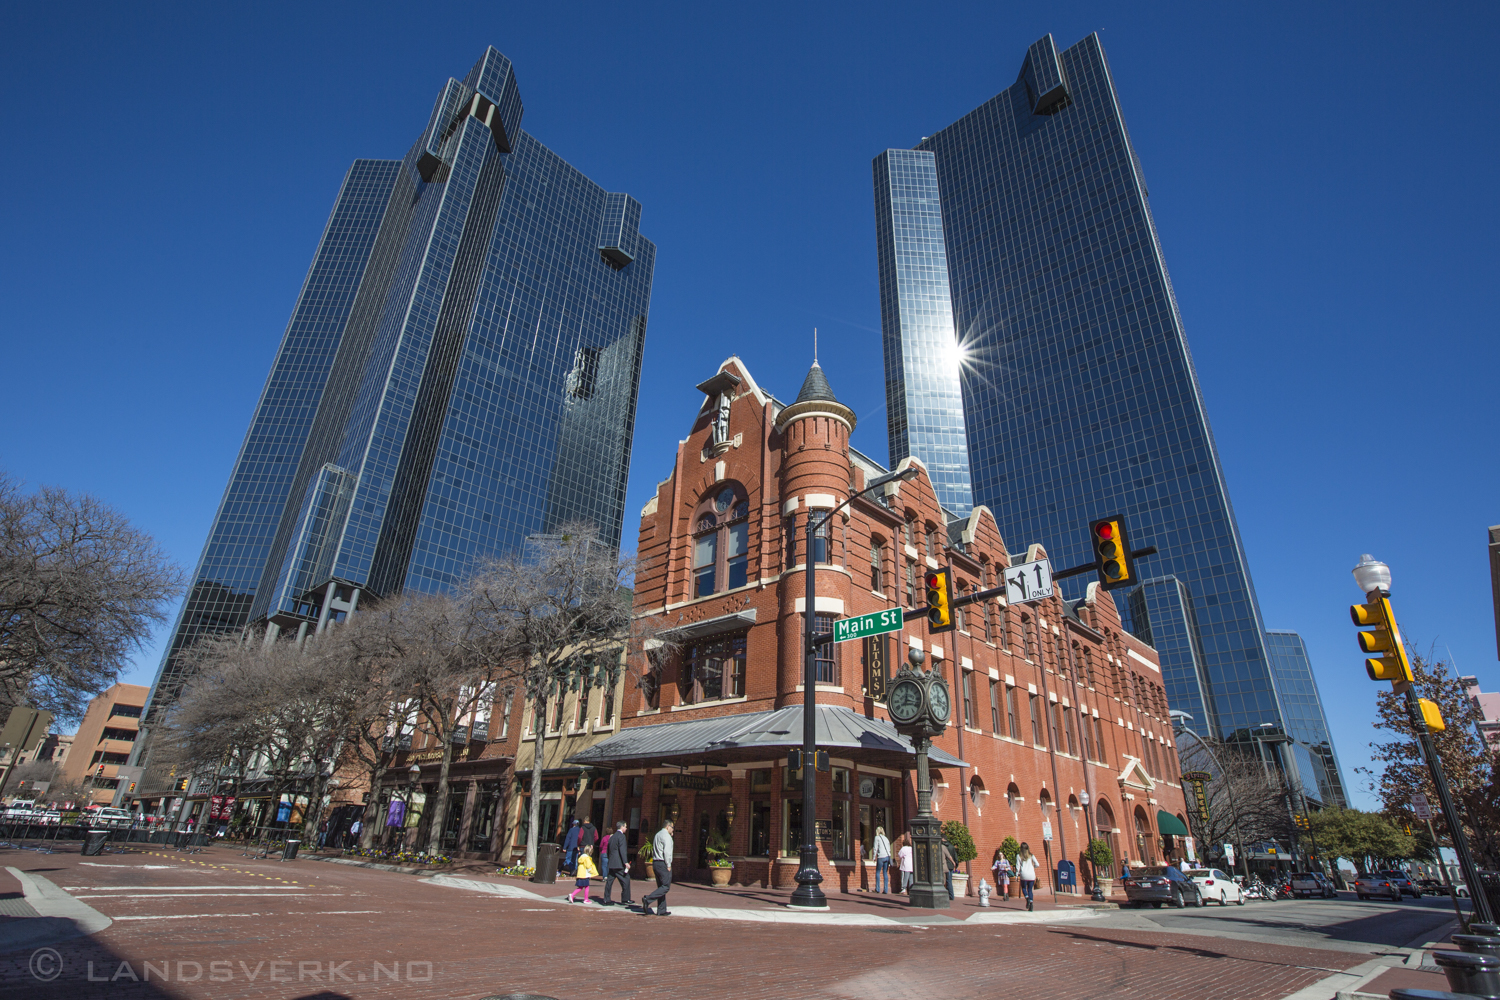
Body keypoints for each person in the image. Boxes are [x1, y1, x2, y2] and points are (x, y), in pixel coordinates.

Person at [640, 819, 674, 916]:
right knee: (665, 886)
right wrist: (668, 865)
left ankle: (661, 909)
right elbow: (667, 852)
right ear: (668, 827)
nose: (673, 830)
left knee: (661, 886)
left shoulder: (658, 834)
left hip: (655, 862)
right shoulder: (667, 837)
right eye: (672, 827)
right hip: (663, 863)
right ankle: (648, 899)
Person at [602, 821, 632, 907]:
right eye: (625, 826)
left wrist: (610, 859)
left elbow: (608, 850)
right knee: (626, 879)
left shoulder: (612, 837)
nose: (626, 828)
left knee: (609, 882)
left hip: (612, 863)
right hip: (618, 864)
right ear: (622, 827)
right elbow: (622, 850)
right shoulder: (621, 836)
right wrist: (625, 862)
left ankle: (606, 899)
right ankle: (626, 899)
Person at [1017, 842, 1038, 911]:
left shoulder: (1019, 856)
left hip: (1024, 874)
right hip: (1031, 875)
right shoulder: (1031, 855)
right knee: (1030, 890)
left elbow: (1018, 866)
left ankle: (1027, 898)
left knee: (1023, 888)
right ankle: (1031, 903)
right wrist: (1033, 867)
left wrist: (1017, 874)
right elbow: (1037, 864)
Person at [872, 826, 893, 894]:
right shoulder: (886, 838)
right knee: (885, 873)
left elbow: (875, 848)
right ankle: (885, 889)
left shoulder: (877, 838)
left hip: (880, 856)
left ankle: (878, 889)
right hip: (887, 856)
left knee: (878, 872)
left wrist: (874, 857)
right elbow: (889, 848)